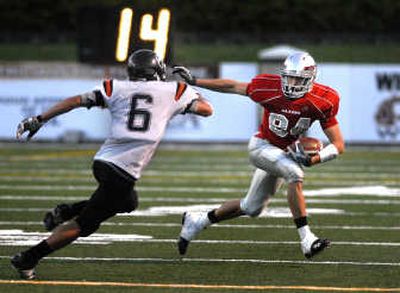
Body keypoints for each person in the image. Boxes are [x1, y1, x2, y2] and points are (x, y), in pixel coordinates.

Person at [11, 49, 213, 280]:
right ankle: (28, 258)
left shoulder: (116, 88)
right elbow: (207, 110)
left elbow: (76, 100)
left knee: (129, 201)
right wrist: (194, 91)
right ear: (157, 71)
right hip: (122, 170)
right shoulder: (174, 91)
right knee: (84, 225)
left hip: (104, 162)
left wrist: (39, 119)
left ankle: (65, 211)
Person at [173, 51, 345, 259]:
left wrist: (316, 158)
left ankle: (198, 220)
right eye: (289, 77)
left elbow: (338, 144)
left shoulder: (324, 99)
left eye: (298, 79)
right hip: (261, 146)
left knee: (251, 207)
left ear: (310, 79)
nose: (291, 83)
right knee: (295, 174)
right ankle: (307, 239)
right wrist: (195, 81)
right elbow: (232, 86)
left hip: (283, 153)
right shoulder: (268, 86)